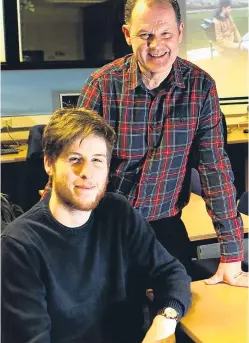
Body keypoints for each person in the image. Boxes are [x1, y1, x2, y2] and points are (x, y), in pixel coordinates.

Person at [77, 0, 248, 287]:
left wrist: (232, 254)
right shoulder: (102, 85)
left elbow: (215, 171)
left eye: (166, 34)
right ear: (127, 34)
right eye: (145, 35)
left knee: (180, 314)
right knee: (116, 325)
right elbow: (73, 165)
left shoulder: (201, 87)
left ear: (180, 32)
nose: (156, 46)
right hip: (104, 229)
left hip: (165, 227)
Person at [1, 107, 191, 343]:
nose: (87, 172)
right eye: (74, 160)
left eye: (97, 161)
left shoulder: (118, 214)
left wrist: (165, 319)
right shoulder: (19, 246)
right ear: (49, 164)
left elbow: (171, 273)